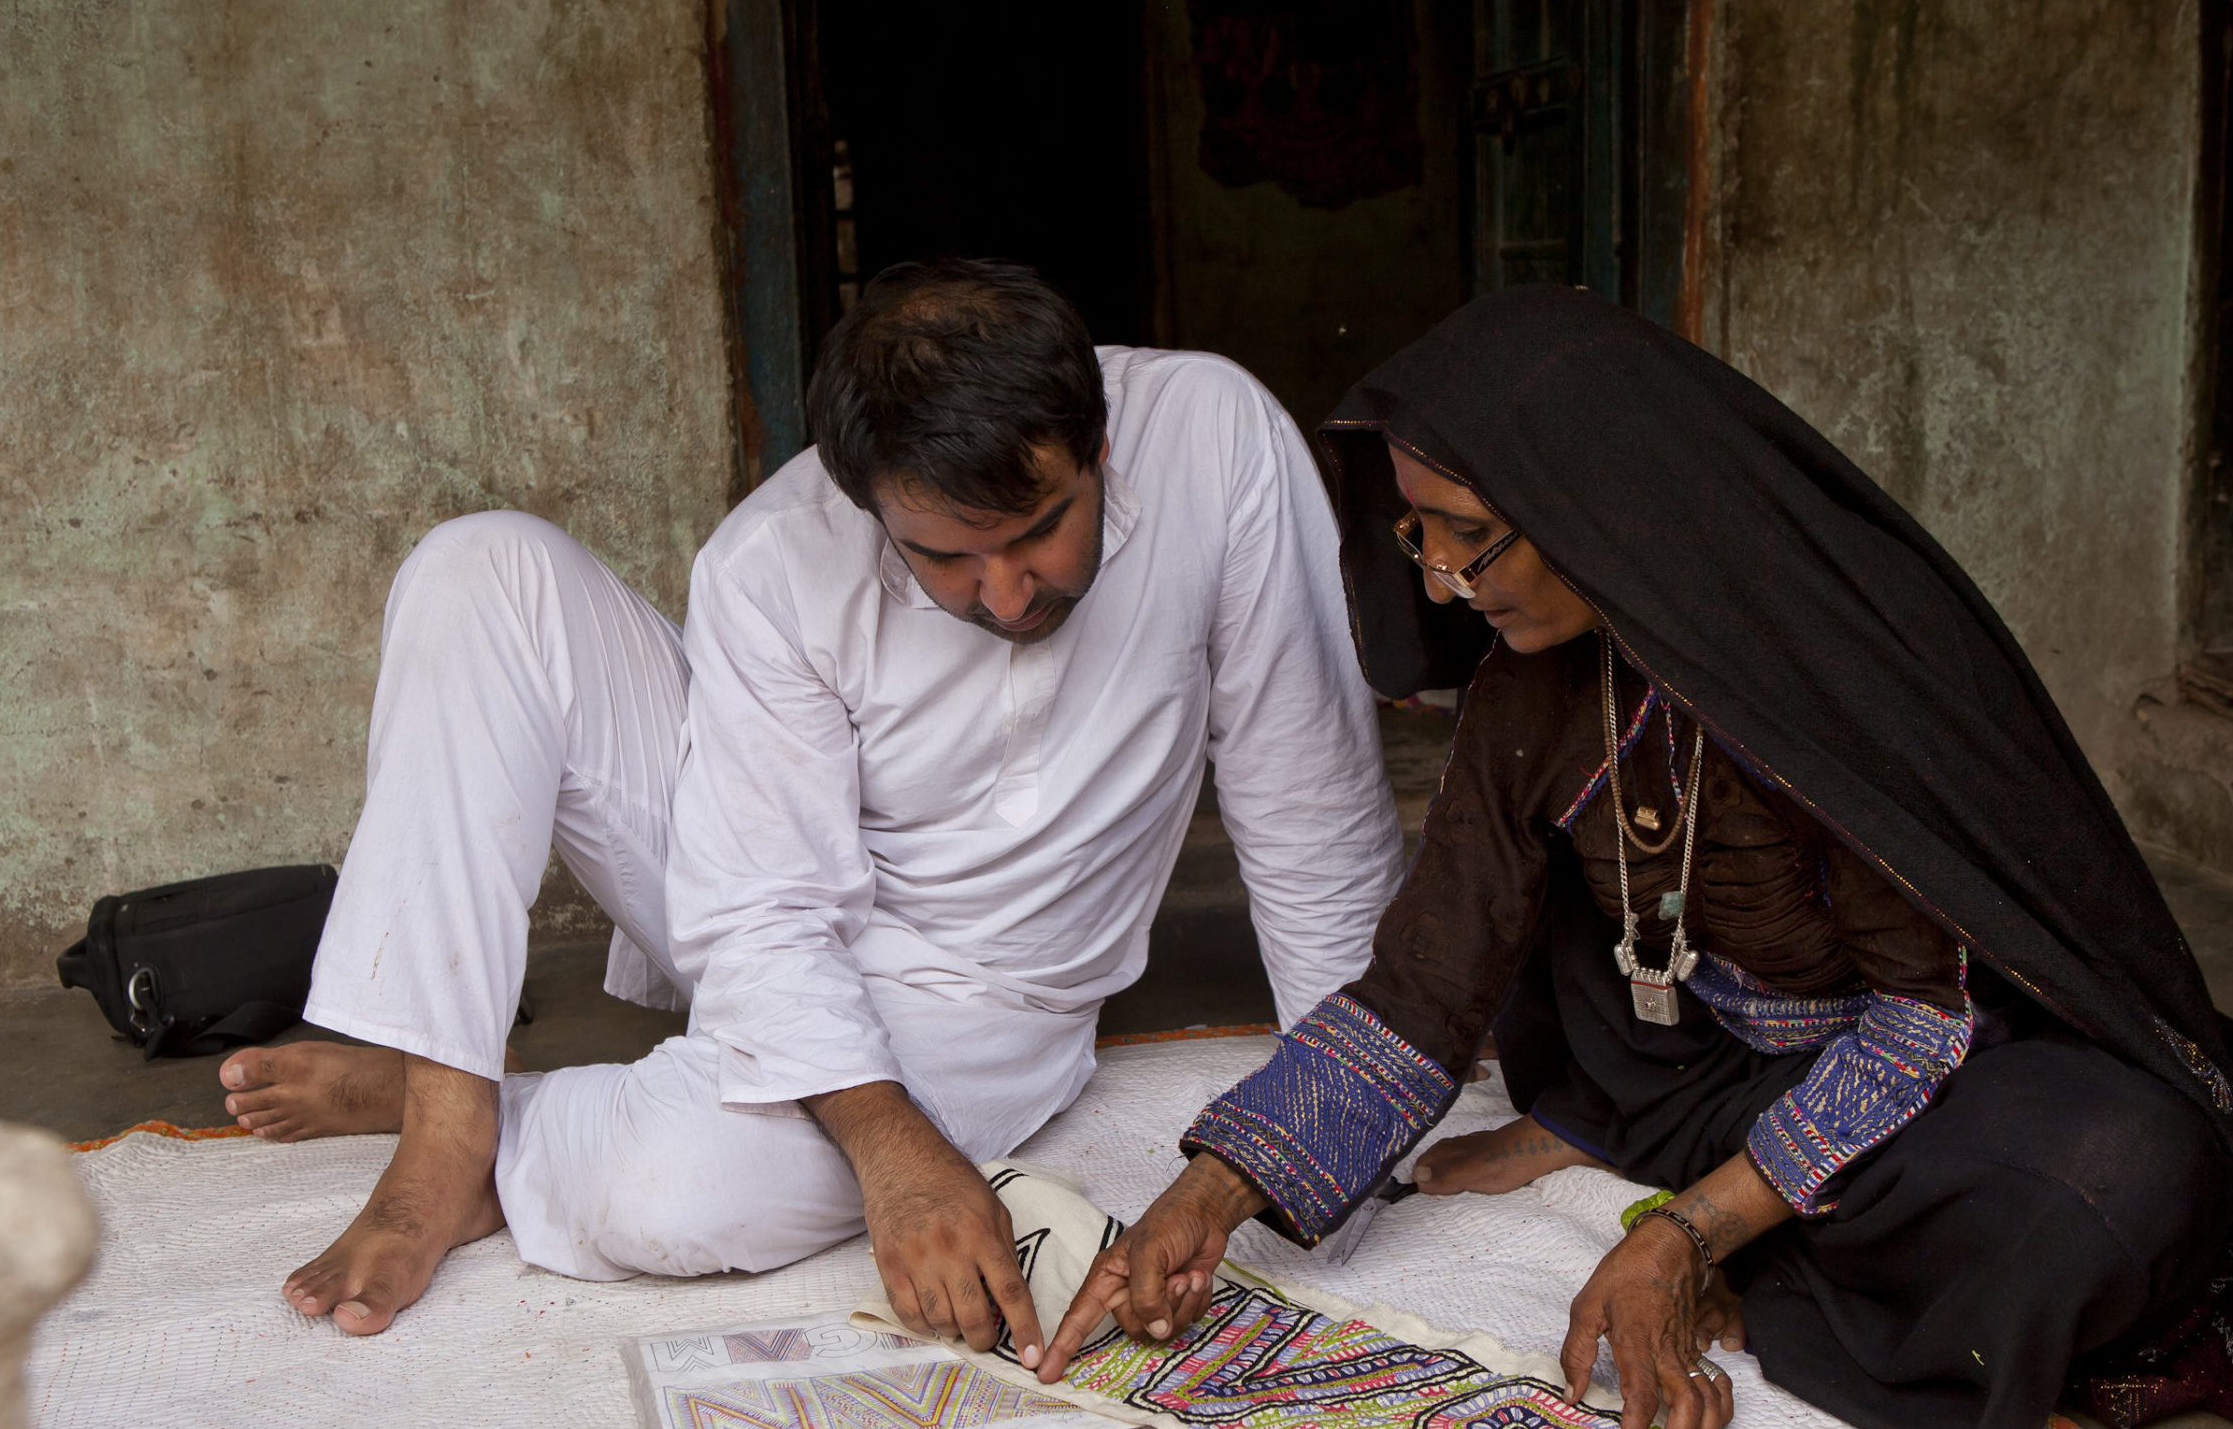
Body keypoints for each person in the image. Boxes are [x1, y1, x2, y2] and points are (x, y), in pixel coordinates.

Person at [1039, 285, 2233, 1429]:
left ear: (1592, 502)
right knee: (1541, 981)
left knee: (2122, 1181)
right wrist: (1211, 1195)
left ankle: (1736, 1252)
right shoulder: (1526, 699)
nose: (1451, 581)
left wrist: (1690, 1233)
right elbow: (1423, 986)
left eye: (1475, 535)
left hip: (1922, 1065)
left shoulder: (1813, 665)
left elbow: (1924, 1018)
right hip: (1677, 1061)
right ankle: (1649, 1154)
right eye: (1421, 539)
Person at [217, 260, 1404, 1351]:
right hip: (752, 890)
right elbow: (758, 899)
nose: (1004, 593)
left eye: (1039, 531)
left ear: (1097, 440)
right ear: (868, 501)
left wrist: (1348, 1132)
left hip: (981, 988)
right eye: (946, 558)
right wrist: (893, 1152)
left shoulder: (1215, 437)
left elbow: (1310, 811)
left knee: (673, 1194)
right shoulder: (775, 556)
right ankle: (445, 1122)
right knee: (480, 570)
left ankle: (471, 1085)